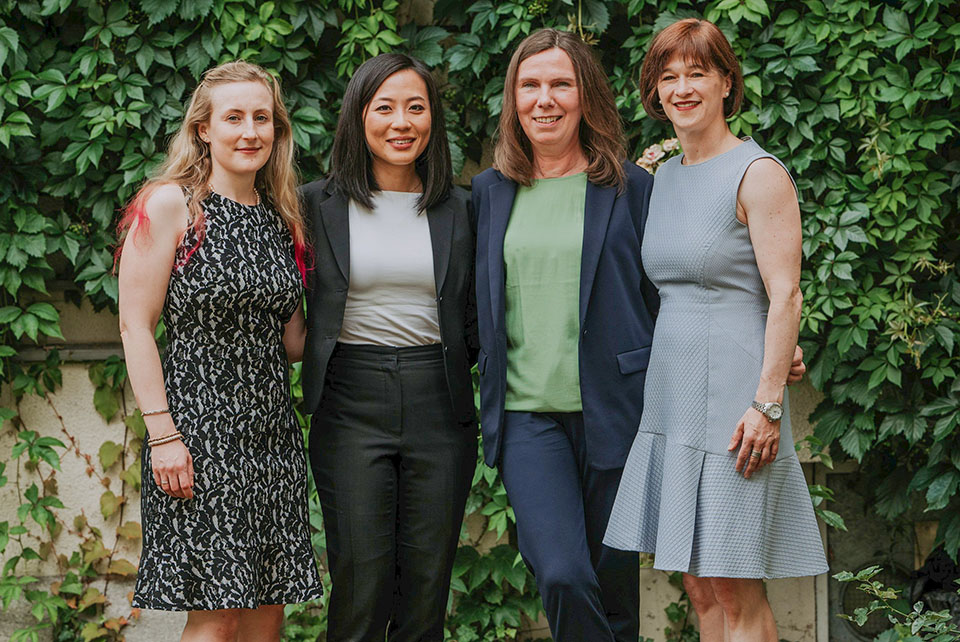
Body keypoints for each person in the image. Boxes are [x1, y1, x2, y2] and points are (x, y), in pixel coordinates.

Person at [603, 18, 828, 642]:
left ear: (727, 82)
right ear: (654, 92)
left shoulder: (759, 173)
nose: (682, 88)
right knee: (698, 585)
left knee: (733, 586)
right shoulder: (664, 175)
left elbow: (784, 293)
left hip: (735, 405)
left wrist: (767, 402)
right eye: (668, 76)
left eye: (697, 73)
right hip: (673, 397)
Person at [117, 61, 322, 641]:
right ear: (204, 128)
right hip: (198, 436)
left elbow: (294, 340)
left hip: (272, 437)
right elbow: (136, 324)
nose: (250, 131)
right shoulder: (170, 205)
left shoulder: (282, 219)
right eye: (233, 117)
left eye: (263, 118)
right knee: (216, 616)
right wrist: (163, 437)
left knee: (268, 611)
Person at [299, 53, 477, 642]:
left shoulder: (464, 208)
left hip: (438, 401)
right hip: (349, 401)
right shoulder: (312, 204)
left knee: (426, 591)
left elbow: (480, 311)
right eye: (386, 107)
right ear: (359, 115)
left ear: (433, 121)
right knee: (361, 584)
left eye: (417, 107)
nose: (402, 122)